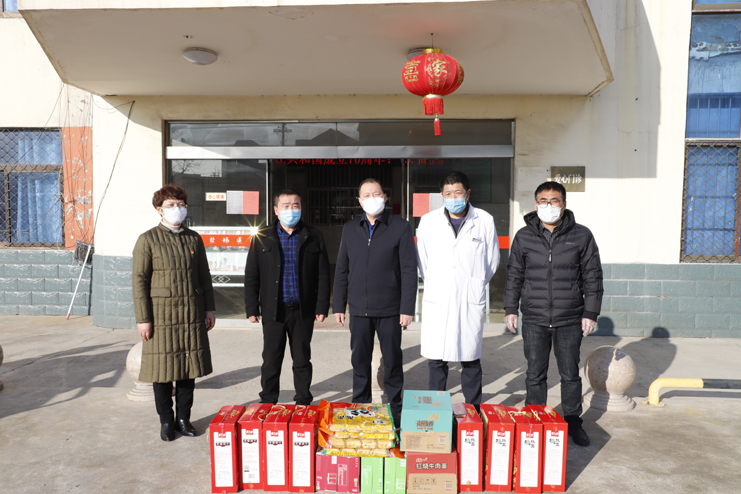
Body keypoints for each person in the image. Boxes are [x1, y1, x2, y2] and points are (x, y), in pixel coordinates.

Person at [503, 181, 603, 447]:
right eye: (544, 201)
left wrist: (590, 312)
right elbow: (514, 275)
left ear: (564, 204)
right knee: (535, 373)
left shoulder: (581, 235)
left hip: (569, 317)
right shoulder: (524, 236)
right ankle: (534, 420)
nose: (549, 206)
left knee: (570, 374)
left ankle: (572, 421)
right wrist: (511, 308)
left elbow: (592, 276)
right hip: (534, 317)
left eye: (555, 201)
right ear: (536, 205)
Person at [133, 184, 216, 442]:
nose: (176, 209)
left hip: (191, 313)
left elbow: (204, 275)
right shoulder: (147, 239)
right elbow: (139, 280)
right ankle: (167, 421)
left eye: (180, 204)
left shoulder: (193, 239)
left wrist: (209, 308)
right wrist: (143, 319)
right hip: (161, 316)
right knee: (162, 371)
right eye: (170, 205)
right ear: (159, 209)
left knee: (187, 370)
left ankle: (184, 419)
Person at [333, 178, 418, 424]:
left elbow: (408, 270)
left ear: (385, 197)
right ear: (359, 201)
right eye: (367, 195)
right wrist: (339, 304)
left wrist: (407, 308)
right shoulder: (350, 228)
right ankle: (361, 403)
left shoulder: (400, 227)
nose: (372, 198)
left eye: (377, 194)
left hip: (391, 308)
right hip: (359, 308)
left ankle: (395, 406)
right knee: (360, 360)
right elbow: (342, 268)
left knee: (392, 360)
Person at [416, 171, 500, 408]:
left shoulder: (484, 220)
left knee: (470, 358)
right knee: (436, 359)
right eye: (448, 193)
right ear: (442, 195)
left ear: (468, 193)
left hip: (468, 298)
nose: (453, 198)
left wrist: (473, 283)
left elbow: (492, 261)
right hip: (438, 298)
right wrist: (439, 283)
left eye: (458, 192)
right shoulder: (428, 221)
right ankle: (436, 411)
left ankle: (473, 410)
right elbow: (422, 260)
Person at [244, 188, 330, 406]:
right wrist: (252, 307)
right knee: (271, 360)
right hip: (274, 311)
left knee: (302, 359)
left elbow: (323, 274)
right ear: (276, 210)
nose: (291, 209)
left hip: (302, 310)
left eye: (295, 205)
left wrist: (321, 306)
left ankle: (303, 401)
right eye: (286, 206)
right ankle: (267, 401)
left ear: (301, 208)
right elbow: (252, 274)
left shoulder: (313, 235)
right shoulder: (263, 236)